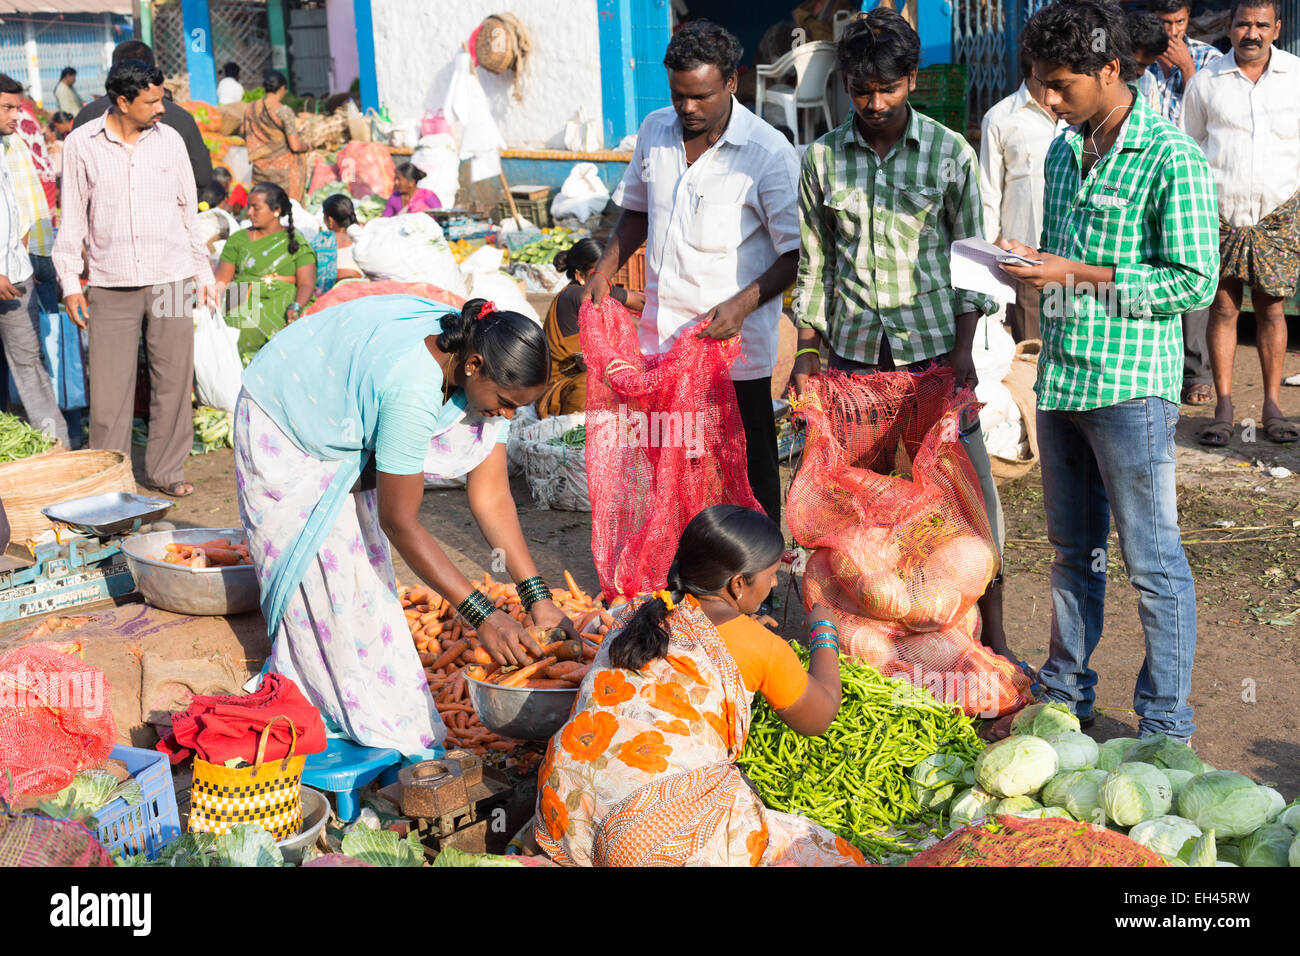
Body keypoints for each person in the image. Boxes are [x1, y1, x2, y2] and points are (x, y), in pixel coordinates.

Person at [997, 0, 1218, 742]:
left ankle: (1163, 725)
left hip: (1131, 391)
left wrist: (1079, 273)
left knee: (1152, 561)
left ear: (1111, 70)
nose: (1048, 102)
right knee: (1071, 555)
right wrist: (1028, 267)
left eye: (1061, 85)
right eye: (1039, 86)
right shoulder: (1065, 151)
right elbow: (1063, 265)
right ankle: (1065, 696)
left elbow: (1193, 282)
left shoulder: (1170, 157)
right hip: (1061, 380)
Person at [234, 293, 576, 758]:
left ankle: (363, 709)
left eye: (519, 407)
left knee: (361, 580)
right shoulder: (412, 386)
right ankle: (333, 716)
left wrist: (537, 597)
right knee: (328, 584)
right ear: (473, 365)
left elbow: (492, 494)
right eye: (504, 403)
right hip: (288, 415)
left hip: (345, 399)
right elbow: (399, 519)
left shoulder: (484, 362)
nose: (508, 416)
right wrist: (483, 616)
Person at [792, 9, 1011, 661]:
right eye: (861, 90)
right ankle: (849, 646)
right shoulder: (824, 159)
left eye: (887, 88)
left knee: (965, 508)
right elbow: (814, 264)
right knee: (853, 519)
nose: (875, 102)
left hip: (933, 362)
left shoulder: (950, 154)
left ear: (911, 81)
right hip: (854, 368)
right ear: (846, 85)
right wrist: (806, 351)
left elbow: (973, 257)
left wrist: (966, 350)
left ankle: (992, 636)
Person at [533, 504, 863, 867]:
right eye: (771, 575)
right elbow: (820, 716)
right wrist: (824, 631)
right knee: (831, 856)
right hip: (644, 839)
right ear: (738, 584)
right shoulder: (760, 645)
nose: (774, 583)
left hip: (564, 811)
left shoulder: (639, 611)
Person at [582, 20, 800, 551]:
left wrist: (743, 304)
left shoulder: (768, 153)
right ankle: (684, 565)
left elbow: (795, 254)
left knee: (745, 466)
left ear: (733, 82)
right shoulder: (655, 131)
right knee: (673, 460)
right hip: (663, 339)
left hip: (734, 349)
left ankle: (758, 575)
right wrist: (606, 267)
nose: (688, 109)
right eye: (679, 95)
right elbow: (635, 212)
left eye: (701, 95)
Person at [53, 59, 216, 498]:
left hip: (174, 277)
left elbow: (188, 212)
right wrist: (70, 282)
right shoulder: (81, 144)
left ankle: (167, 471)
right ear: (123, 101)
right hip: (110, 281)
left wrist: (203, 272)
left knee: (174, 379)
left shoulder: (171, 141)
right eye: (152, 101)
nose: (161, 108)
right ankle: (110, 479)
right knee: (109, 390)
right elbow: (72, 219)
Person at [1183, 1, 1299, 446]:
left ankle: (1273, 405)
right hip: (1221, 214)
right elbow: (1190, 147)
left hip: (1280, 215)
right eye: (1243, 24)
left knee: (1272, 309)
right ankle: (1224, 406)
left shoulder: (1297, 77)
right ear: (1229, 28)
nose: (1252, 33)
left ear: (1277, 28)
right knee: (1224, 308)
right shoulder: (1207, 82)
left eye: (1261, 25)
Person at [1148, 0, 1223, 408]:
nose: (1172, 31)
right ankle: (1160, 374)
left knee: (1188, 273)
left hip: (1190, 183)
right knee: (1149, 273)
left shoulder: (1208, 59)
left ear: (1188, 19)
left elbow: (1217, 119)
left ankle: (1196, 373)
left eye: (1179, 22)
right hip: (1146, 184)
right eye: (1165, 23)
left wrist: (1188, 73)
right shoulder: (1138, 58)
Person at [979, 42, 1067, 343]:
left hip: (1076, 255)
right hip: (1026, 255)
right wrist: (991, 250)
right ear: (1035, 70)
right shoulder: (1000, 118)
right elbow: (989, 191)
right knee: (1031, 347)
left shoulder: (1078, 116)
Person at [0, 73, 68, 449]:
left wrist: (22, 251)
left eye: (17, 107)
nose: (16, 116)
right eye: (8, 107)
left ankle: (56, 443)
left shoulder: (9, 147)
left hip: (18, 276)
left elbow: (16, 207)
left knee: (29, 363)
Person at [73, 40, 211, 189]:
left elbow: (74, 186)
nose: (160, 110)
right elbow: (202, 177)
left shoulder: (86, 116)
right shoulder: (180, 118)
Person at [537, 238, 644, 418]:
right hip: (560, 391)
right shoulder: (577, 295)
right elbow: (628, 323)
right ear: (580, 275)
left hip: (579, 379)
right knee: (598, 384)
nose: (606, 279)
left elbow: (640, 301)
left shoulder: (596, 288)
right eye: (598, 273)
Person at [214, 181, 316, 358]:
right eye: (248, 207)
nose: (250, 213)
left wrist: (296, 306)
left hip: (281, 299)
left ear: (276, 211)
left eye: (256, 208)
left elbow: (306, 283)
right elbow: (221, 280)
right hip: (241, 295)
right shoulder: (238, 239)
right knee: (233, 327)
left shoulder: (294, 241)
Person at [241, 70, 309, 202]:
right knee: (299, 159)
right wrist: (306, 146)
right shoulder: (283, 110)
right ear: (282, 88)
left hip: (259, 169)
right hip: (283, 172)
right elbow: (295, 146)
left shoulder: (251, 108)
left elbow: (244, 131)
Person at [310, 193, 365, 295]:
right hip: (360, 290)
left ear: (330, 220)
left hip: (331, 294)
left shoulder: (322, 239)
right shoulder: (363, 235)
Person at [1128, 12, 1170, 112]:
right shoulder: (1102, 75)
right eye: (1138, 64)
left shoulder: (1148, 79)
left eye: (1146, 66)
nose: (1141, 72)